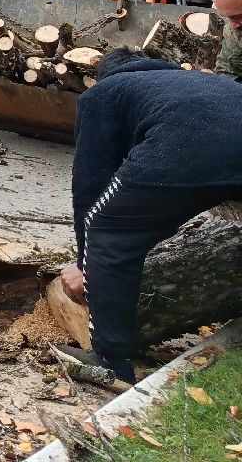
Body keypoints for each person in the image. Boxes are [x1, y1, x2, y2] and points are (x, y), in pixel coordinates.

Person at [56, 47, 242, 384]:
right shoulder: (193, 81)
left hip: (186, 149)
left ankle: (111, 359)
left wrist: (86, 265)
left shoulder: (105, 93)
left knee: (107, 227)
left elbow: (91, 184)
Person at [210, 0, 242, 79]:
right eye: (229, 18)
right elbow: (228, 67)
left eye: (238, 16)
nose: (233, 25)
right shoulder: (235, 30)